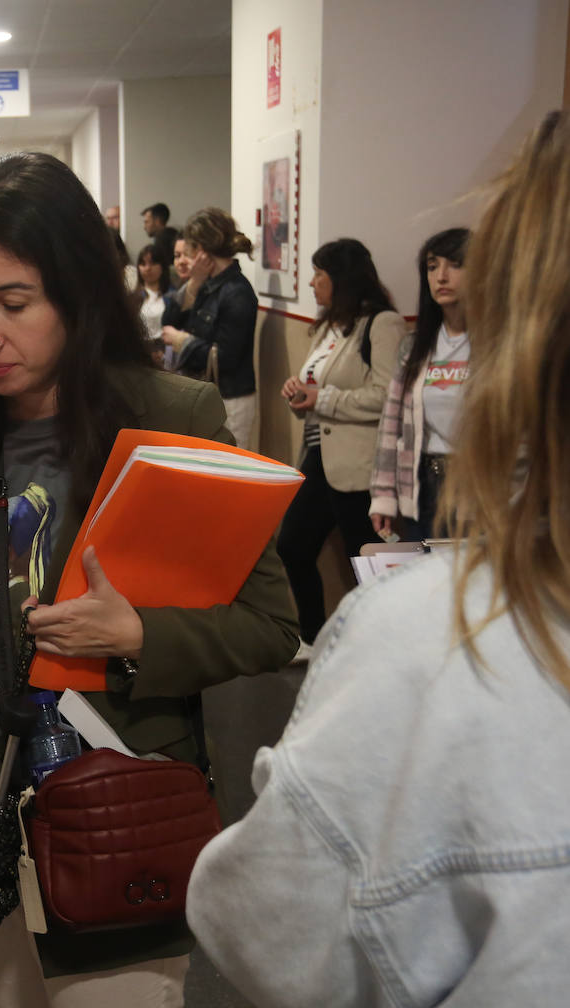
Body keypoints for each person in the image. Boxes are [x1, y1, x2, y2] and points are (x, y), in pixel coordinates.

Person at [0, 152, 298, 1008]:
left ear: (78, 293)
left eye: (13, 304)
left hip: (111, 813)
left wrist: (137, 636)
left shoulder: (169, 417)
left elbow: (269, 621)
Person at [187, 109, 570, 1008]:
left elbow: (260, 925)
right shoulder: (402, 339)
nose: (443, 280)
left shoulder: (435, 641)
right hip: (389, 479)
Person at [276, 238, 405, 658]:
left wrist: (323, 399)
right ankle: (313, 637)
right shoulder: (333, 325)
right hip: (318, 454)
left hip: (358, 463)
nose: (312, 283)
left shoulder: (382, 324)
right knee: (292, 544)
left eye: (319, 275)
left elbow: (388, 394)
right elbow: (317, 385)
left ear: (341, 279)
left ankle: (383, 650)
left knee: (364, 561)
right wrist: (300, 392)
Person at [369, 227, 472, 541]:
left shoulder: (502, 344)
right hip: (423, 484)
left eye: (455, 264)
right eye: (431, 266)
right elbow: (392, 424)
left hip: (477, 486)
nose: (441, 276)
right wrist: (383, 495)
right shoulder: (416, 345)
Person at [161, 207, 260, 450]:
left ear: (202, 251)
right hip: (209, 395)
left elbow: (225, 357)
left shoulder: (237, 291)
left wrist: (182, 341)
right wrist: (194, 283)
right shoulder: (207, 285)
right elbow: (169, 322)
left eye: (190, 250)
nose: (187, 257)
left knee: (230, 478)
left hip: (230, 400)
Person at [134, 242, 176, 358]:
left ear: (162, 266)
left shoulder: (173, 296)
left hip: (167, 352)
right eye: (143, 264)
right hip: (141, 352)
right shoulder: (134, 297)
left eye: (152, 263)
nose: (147, 268)